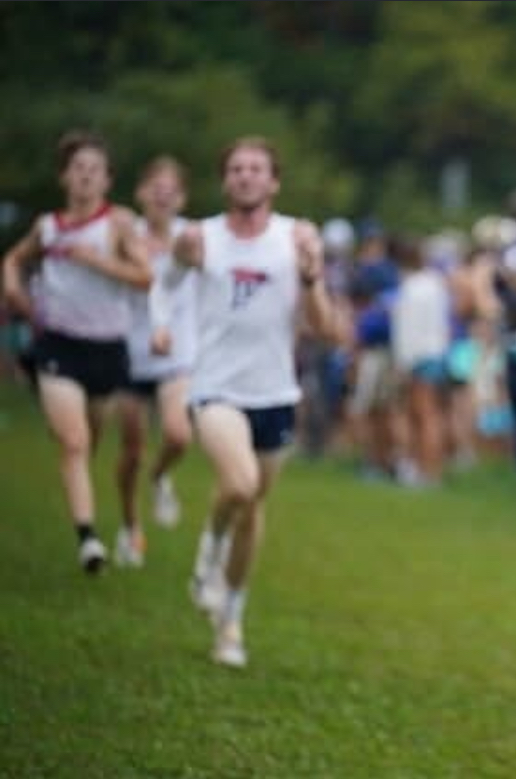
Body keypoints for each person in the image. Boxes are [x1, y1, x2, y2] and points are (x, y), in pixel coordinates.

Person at [166, 136, 336, 668]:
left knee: (253, 506)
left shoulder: (296, 238)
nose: (245, 176)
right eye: (236, 169)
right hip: (216, 388)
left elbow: (324, 327)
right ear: (224, 180)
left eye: (255, 169)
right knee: (237, 484)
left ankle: (231, 622)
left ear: (274, 181)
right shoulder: (201, 237)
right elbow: (162, 284)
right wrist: (160, 327)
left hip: (275, 393)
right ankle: (208, 550)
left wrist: (310, 276)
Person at [1, 129, 153, 574]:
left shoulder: (117, 225)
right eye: (78, 169)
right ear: (64, 177)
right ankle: (88, 538)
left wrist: (98, 260)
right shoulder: (47, 227)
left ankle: (92, 515)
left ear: (107, 180)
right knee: (73, 442)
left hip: (107, 349)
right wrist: (14, 290)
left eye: (95, 170)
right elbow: (12, 259)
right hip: (57, 345)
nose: (86, 177)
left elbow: (145, 278)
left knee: (92, 438)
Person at [113, 156, 194, 568]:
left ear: (182, 198)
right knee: (131, 450)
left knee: (179, 435)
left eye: (171, 190)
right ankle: (130, 528)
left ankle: (161, 477)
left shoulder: (191, 238)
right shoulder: (126, 237)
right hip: (130, 354)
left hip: (178, 354)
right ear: (140, 193)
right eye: (155, 188)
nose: (162, 196)